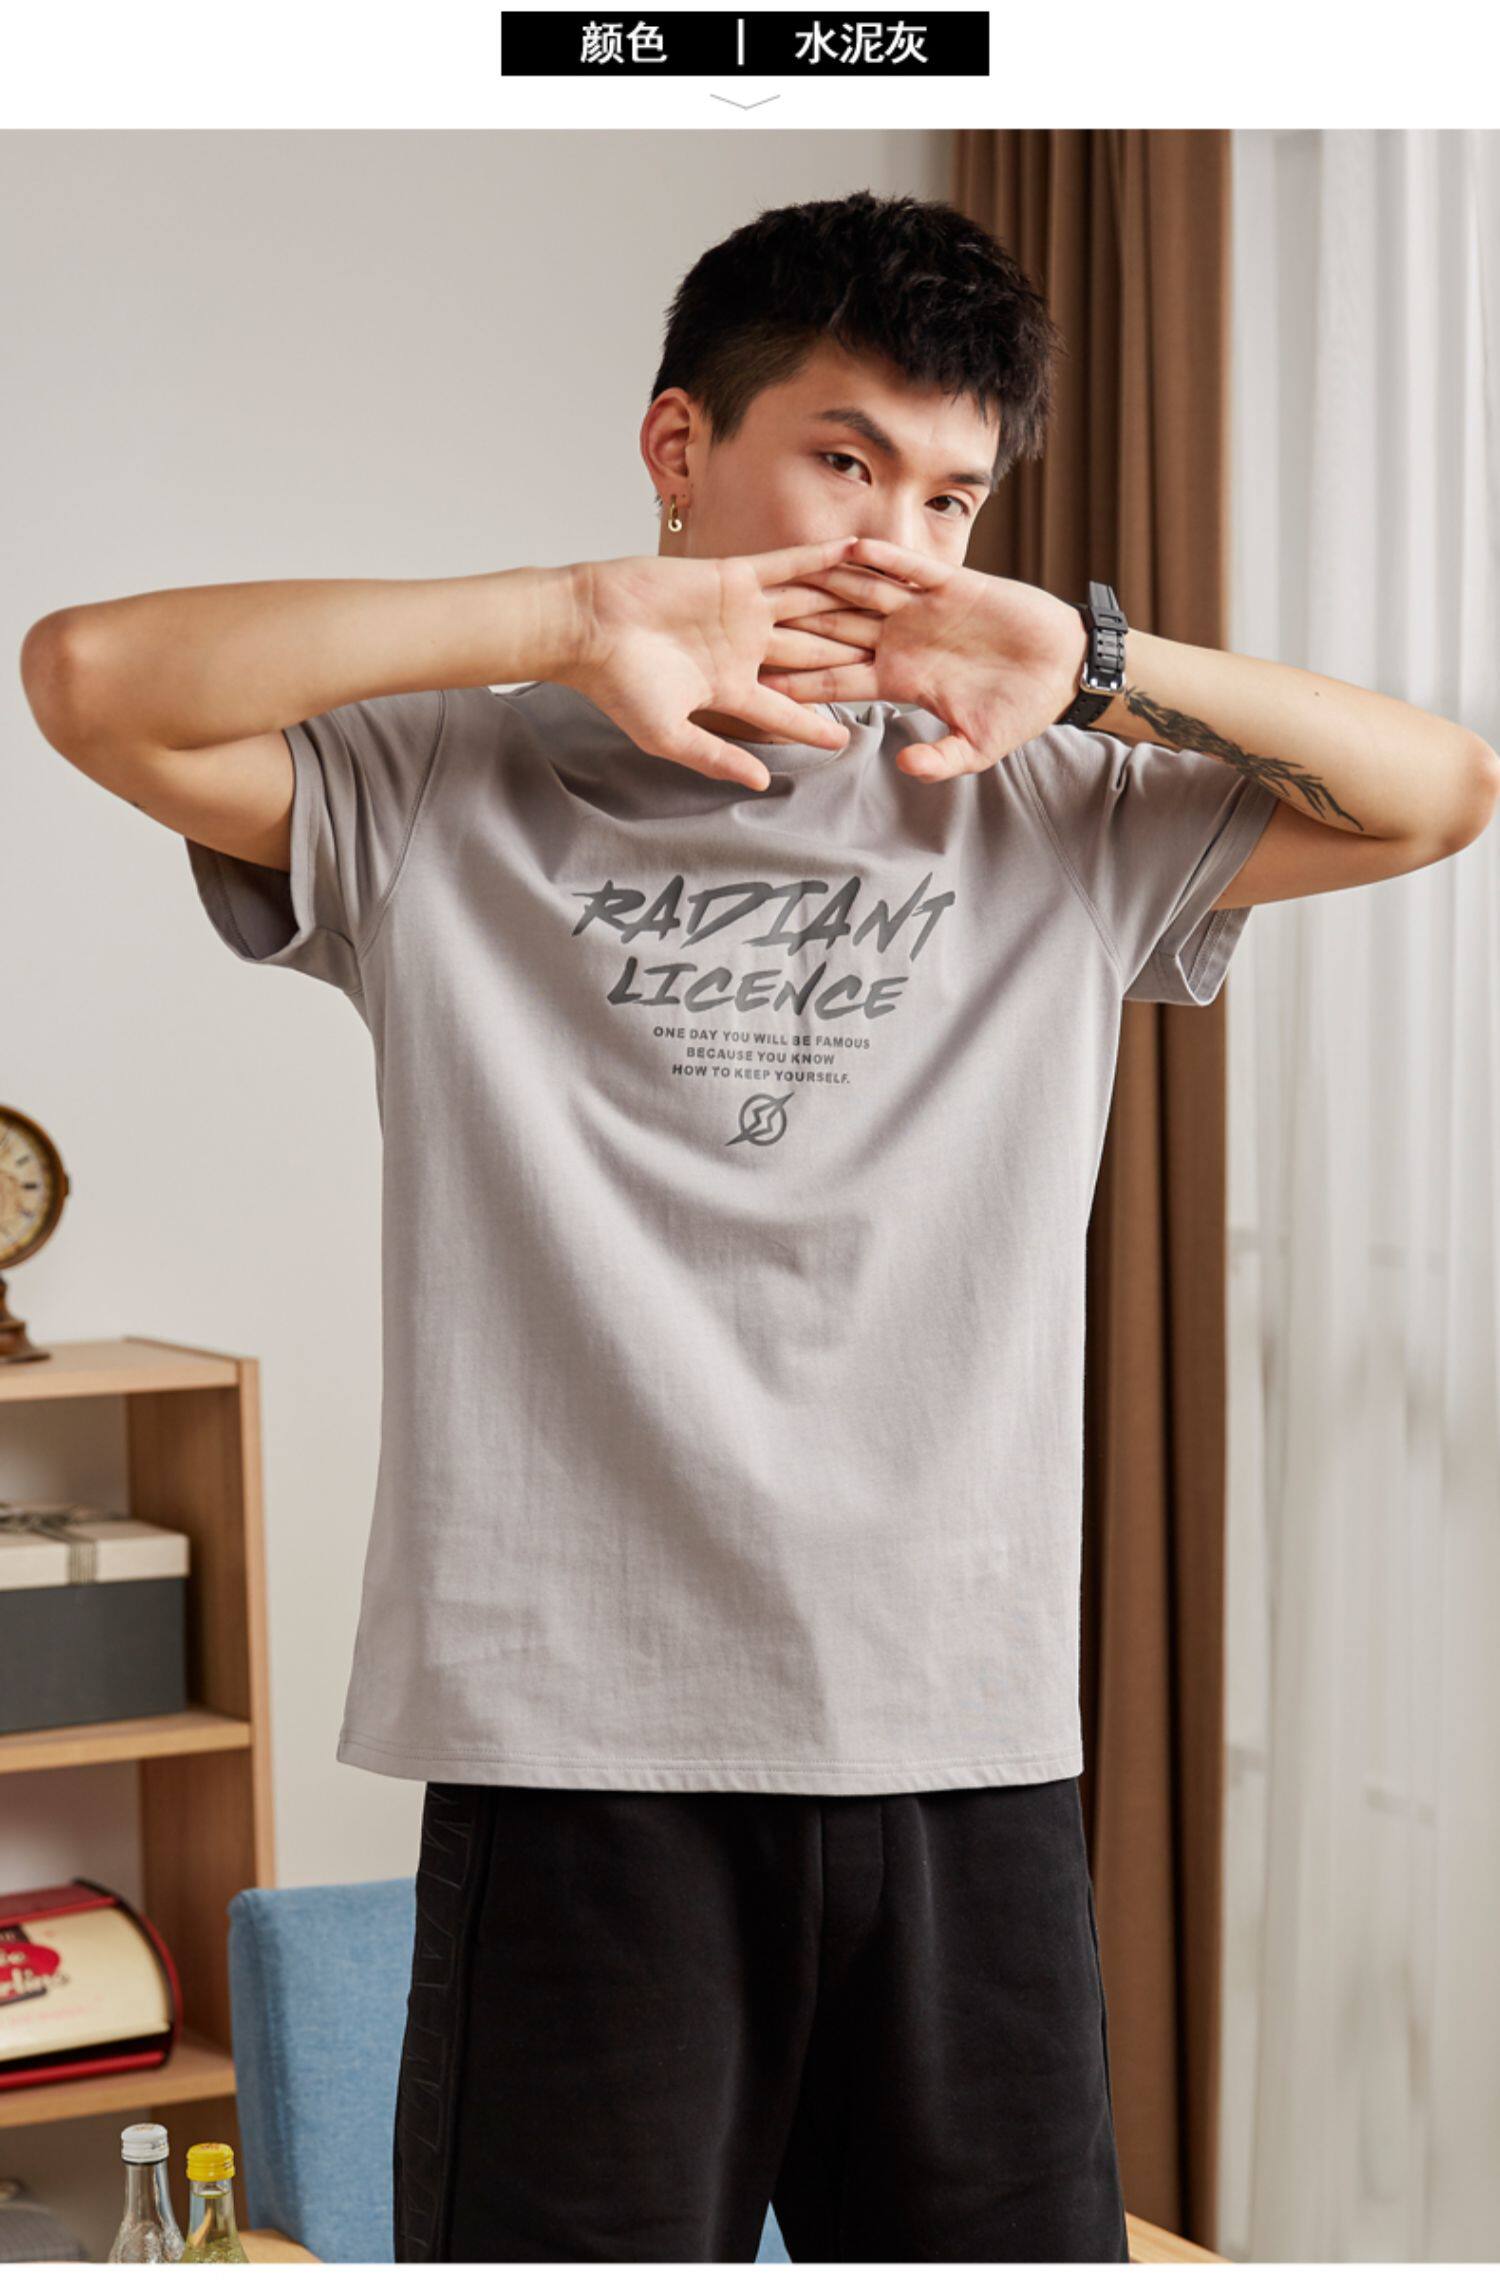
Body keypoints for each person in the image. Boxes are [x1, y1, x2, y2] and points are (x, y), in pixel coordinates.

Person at [20, 190, 1497, 2264]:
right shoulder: (442, 790)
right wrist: (567, 616)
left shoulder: (1050, 806)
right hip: (576, 1755)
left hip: (963, 1738)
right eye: (845, 460)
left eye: (951, 495)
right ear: (679, 446)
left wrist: (1095, 661)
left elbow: (1438, 793)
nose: (901, 542)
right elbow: (91, 679)